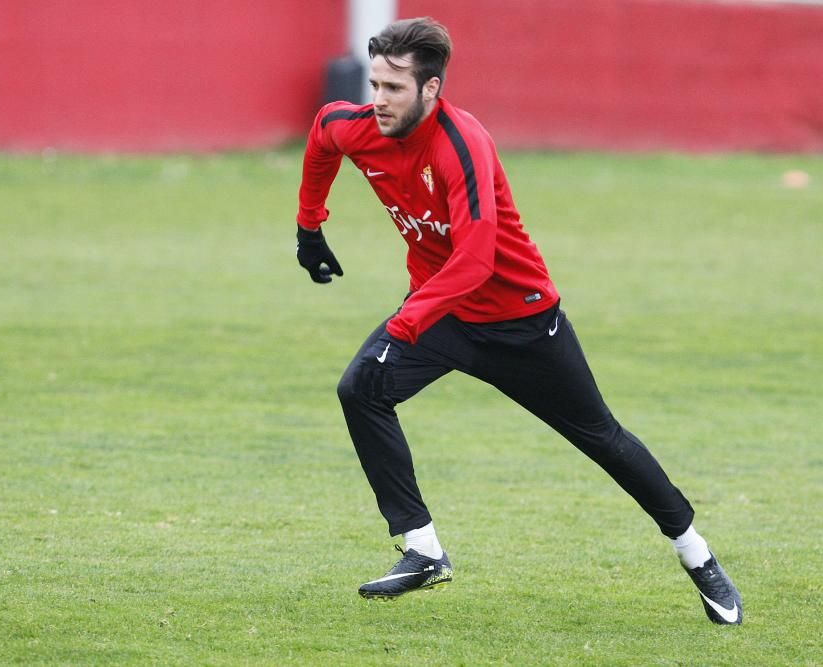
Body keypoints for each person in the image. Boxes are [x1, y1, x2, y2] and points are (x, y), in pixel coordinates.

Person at [294, 17, 743, 625]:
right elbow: (323, 136)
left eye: (395, 89)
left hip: (523, 323)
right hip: (445, 313)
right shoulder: (358, 125)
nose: (379, 101)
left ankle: (699, 557)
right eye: (375, 83)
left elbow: (476, 260)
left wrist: (407, 322)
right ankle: (422, 549)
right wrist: (310, 225)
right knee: (361, 389)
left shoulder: (462, 144)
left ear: (431, 91)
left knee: (602, 439)